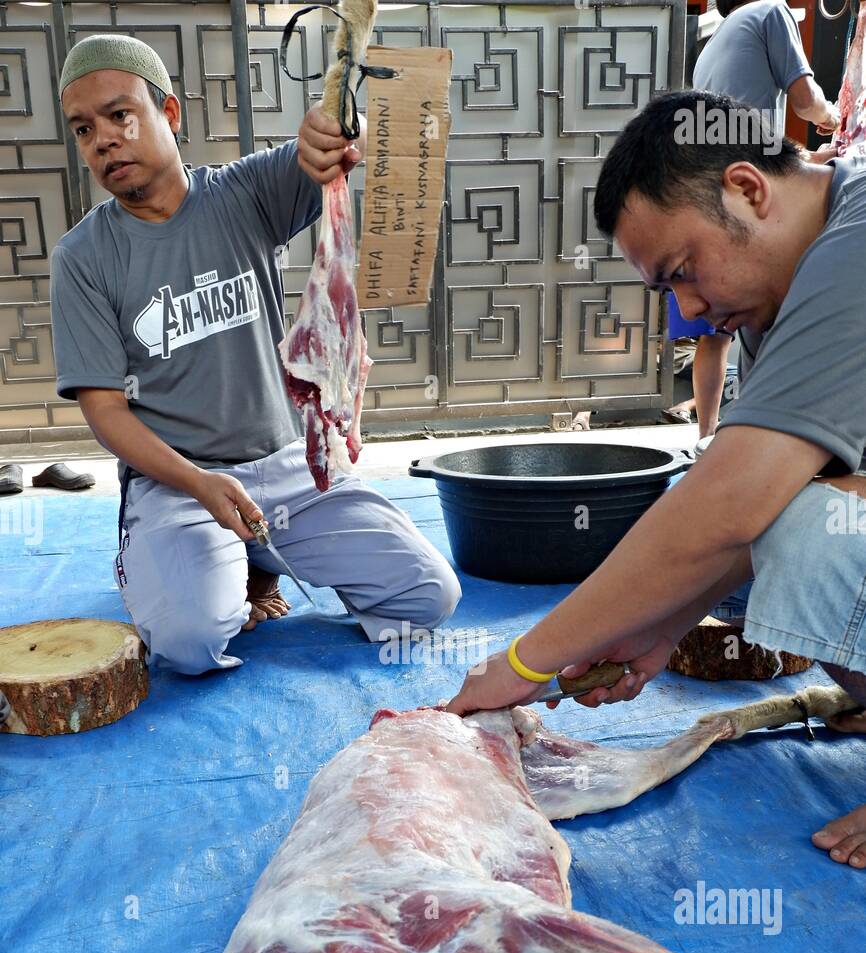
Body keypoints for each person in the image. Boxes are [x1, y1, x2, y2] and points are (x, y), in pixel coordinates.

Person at [447, 90, 866, 870]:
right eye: (666, 291)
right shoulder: (773, 302)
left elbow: (738, 505)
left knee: (807, 533)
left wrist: (524, 662)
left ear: (747, 188)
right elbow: (737, 506)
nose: (691, 310)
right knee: (743, 532)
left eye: (684, 272)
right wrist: (664, 626)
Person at [51, 34, 460, 672]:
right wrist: (197, 482)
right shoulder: (83, 259)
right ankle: (162, 561)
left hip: (291, 471)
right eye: (82, 129)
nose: (102, 139)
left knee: (428, 594)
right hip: (178, 485)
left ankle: (257, 559)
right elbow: (105, 410)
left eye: (120, 114)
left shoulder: (242, 193)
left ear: (170, 113)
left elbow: (321, 147)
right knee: (188, 641)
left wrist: (330, 130)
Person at [670, 0, 841, 446]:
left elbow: (748, 133)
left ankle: (711, 436)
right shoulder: (772, 12)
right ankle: (777, 437)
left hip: (716, 191)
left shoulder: (712, 43)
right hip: (746, 199)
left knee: (723, 326)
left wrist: (802, 159)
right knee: (772, 309)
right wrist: (834, 118)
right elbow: (805, 102)